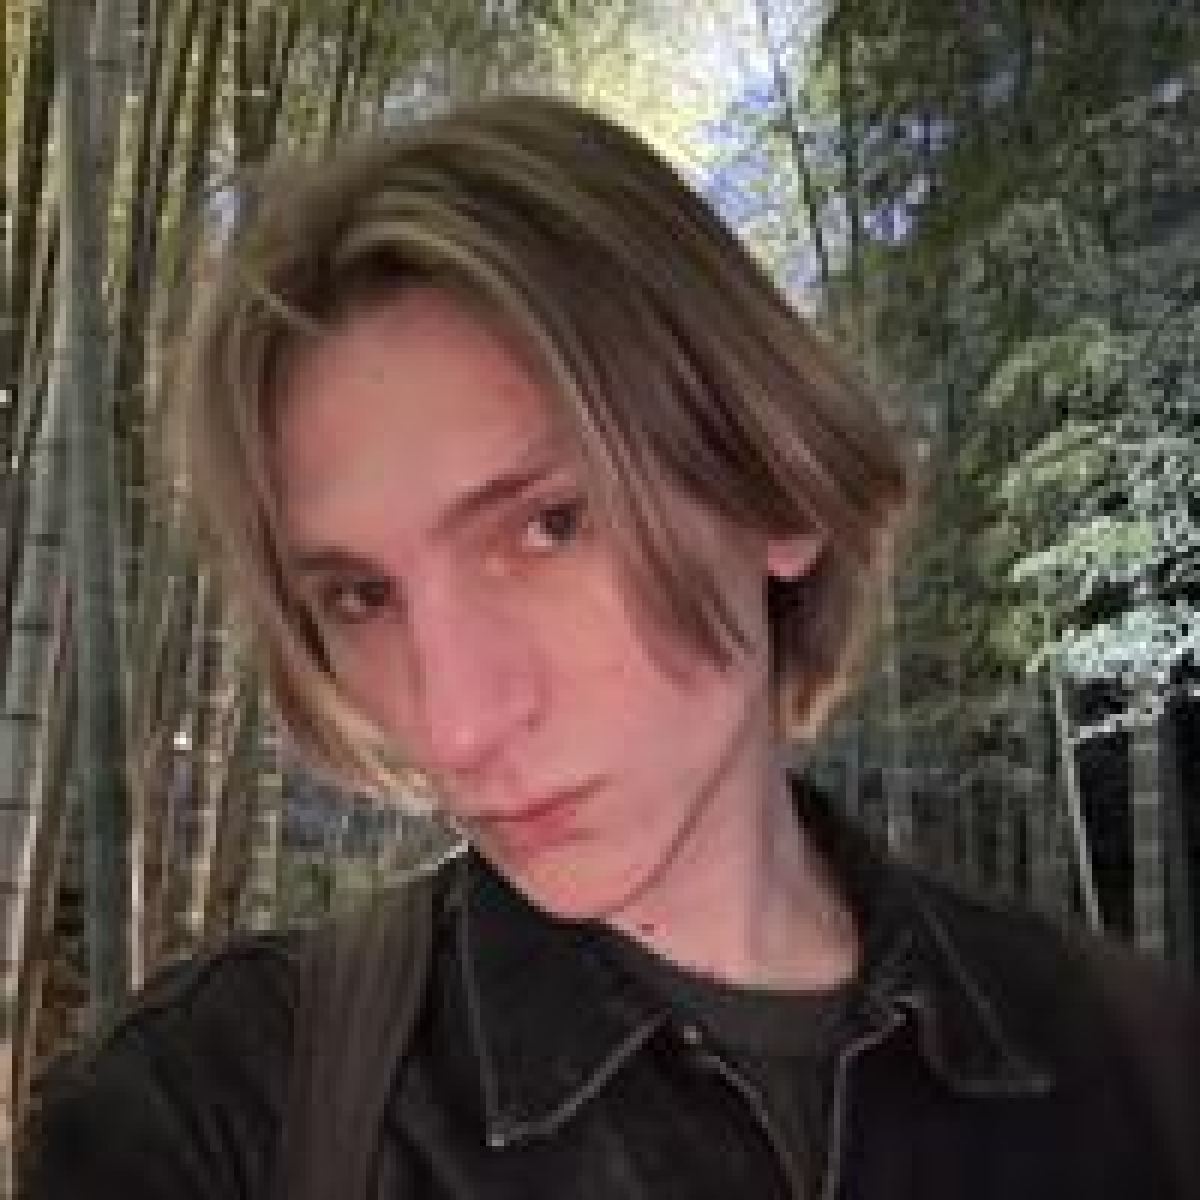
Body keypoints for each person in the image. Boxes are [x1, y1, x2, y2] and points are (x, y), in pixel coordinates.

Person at [20, 93, 1198, 1199]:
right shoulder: (207, 1120)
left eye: (548, 527)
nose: (456, 725)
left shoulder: (1146, 1070)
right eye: (362, 596)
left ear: (777, 486)